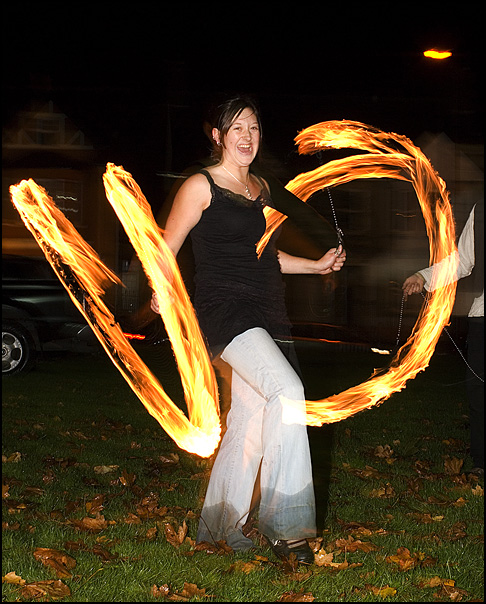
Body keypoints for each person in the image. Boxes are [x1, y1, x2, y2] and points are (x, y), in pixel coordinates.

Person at [151, 95, 346, 563]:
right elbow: (164, 248)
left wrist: (316, 265)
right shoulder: (201, 186)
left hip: (267, 308)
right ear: (218, 136)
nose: (246, 136)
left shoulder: (261, 189)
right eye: (236, 127)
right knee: (287, 391)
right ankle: (286, 527)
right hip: (225, 310)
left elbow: (266, 256)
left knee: (250, 417)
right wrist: (164, 290)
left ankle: (219, 528)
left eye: (253, 127)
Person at [402, 201, 484, 475]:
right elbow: (462, 260)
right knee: (478, 392)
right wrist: (423, 277)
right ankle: (481, 463)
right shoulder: (481, 210)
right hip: (483, 315)